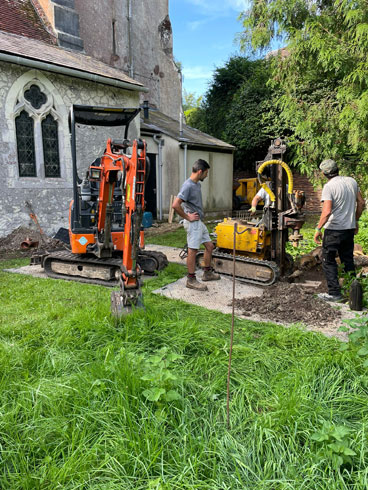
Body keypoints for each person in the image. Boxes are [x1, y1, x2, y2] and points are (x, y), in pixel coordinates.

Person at [314, 159, 365, 302]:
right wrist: (355, 220)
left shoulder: (329, 187)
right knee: (347, 259)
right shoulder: (351, 181)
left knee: (328, 260)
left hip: (333, 230)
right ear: (337, 169)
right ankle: (353, 292)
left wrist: (318, 229)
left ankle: (334, 293)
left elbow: (327, 211)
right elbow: (361, 203)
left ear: (324, 173)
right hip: (348, 229)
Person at [172, 159, 220, 291]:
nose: (207, 175)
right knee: (192, 251)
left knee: (209, 246)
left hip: (199, 222)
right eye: (206, 173)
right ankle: (191, 279)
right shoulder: (187, 186)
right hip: (193, 223)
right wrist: (187, 216)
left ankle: (207, 273)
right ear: (200, 172)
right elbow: (175, 205)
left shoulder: (197, 184)